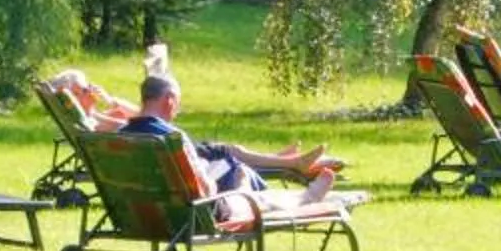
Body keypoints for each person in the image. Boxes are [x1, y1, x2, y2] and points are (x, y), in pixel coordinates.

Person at [117, 73, 343, 207]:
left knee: (233, 166)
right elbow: (205, 189)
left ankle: (289, 174)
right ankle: (304, 196)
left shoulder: (120, 137)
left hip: (141, 211)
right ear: (169, 101)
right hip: (190, 211)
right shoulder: (172, 139)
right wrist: (207, 173)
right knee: (235, 168)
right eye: (178, 102)